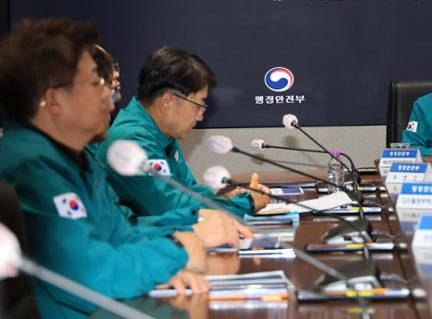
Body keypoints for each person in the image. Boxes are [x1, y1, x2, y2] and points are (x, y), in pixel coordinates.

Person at [0, 18, 215, 319]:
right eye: (96, 83)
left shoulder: (76, 158)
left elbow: (119, 233)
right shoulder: (28, 165)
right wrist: (176, 251)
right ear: (54, 99)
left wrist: (161, 264)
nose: (111, 97)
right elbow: (88, 274)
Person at [96, 46, 270, 218]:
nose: (200, 116)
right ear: (167, 102)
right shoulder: (131, 140)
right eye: (199, 105)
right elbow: (172, 208)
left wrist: (222, 200)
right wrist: (247, 202)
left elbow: (187, 190)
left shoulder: (160, 131)